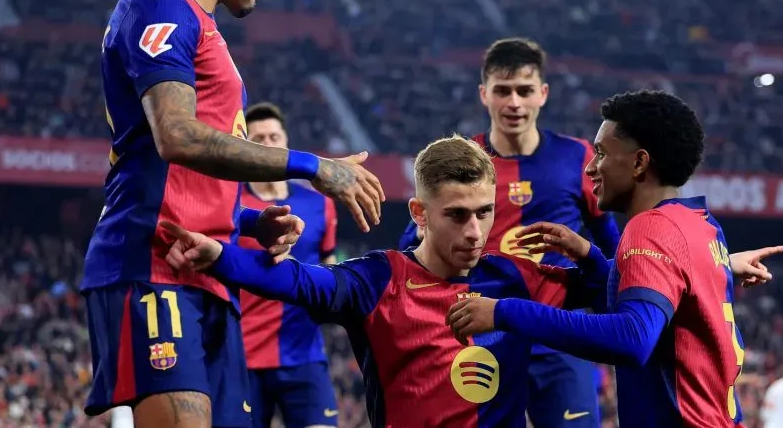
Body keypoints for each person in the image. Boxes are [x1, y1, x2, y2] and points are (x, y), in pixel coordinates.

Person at [81, 0, 384, 428]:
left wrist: (244, 223)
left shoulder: (206, 30)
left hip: (207, 274)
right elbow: (177, 136)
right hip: (153, 265)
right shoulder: (156, 7)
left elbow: (186, 178)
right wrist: (312, 166)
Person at [163, 135, 608, 427]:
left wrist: (588, 253)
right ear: (419, 214)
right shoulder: (379, 279)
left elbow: (618, 295)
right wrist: (221, 256)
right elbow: (297, 282)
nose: (474, 231)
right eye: (456, 214)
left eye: (483, 212)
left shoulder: (514, 277)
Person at [446, 90, 783, 428]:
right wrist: (592, 259)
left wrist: (504, 311)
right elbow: (667, 289)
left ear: (639, 162)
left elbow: (633, 337)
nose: (591, 168)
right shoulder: (702, 224)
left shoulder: (650, 228)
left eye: (601, 153)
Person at [398, 38, 620, 426]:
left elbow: (612, 244)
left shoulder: (578, 156)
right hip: (484, 334)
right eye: (503, 91)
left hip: (557, 331)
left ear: (543, 94)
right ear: (484, 94)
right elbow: (413, 239)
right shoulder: (464, 158)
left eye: (524, 90)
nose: (514, 103)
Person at [236, 103, 340, 428]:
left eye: (274, 136)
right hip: (241, 358)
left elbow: (329, 267)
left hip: (304, 355)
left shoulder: (319, 205)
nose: (268, 144)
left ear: (286, 142)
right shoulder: (231, 205)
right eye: (258, 139)